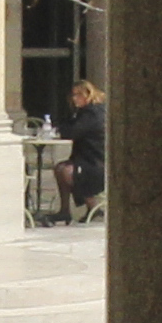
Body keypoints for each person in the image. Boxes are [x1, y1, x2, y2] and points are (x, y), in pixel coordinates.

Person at [54, 73, 106, 217]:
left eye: (79, 95)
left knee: (68, 172)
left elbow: (73, 132)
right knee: (59, 168)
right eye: (73, 95)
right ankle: (64, 210)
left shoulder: (93, 114)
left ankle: (93, 206)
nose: (75, 98)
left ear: (88, 95)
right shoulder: (83, 112)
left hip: (96, 162)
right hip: (85, 158)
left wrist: (63, 128)